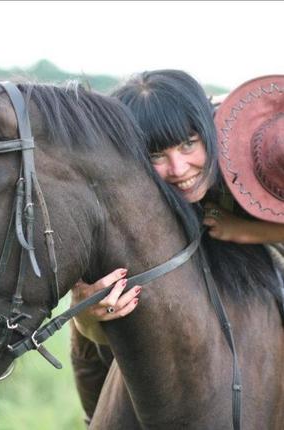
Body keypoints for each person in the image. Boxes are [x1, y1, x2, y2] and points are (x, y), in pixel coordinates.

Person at [71, 71, 284, 421]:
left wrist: (247, 232)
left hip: (262, 228)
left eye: (188, 143)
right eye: (156, 155)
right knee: (80, 337)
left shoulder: (253, 144)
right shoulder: (123, 191)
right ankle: (94, 418)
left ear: (207, 128)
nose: (179, 168)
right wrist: (85, 313)